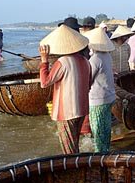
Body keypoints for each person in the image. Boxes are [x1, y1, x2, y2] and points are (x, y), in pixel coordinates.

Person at [39, 25, 91, 154]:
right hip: (81, 109)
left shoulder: (62, 62)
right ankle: (78, 168)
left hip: (66, 111)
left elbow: (44, 83)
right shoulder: (85, 61)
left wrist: (44, 61)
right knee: (74, 144)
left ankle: (74, 172)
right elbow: (89, 84)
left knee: (69, 150)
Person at [84, 27, 116, 152]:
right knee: (106, 127)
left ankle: (100, 155)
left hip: (98, 99)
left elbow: (88, 79)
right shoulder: (106, 56)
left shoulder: (95, 59)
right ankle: (105, 150)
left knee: (97, 129)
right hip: (109, 96)